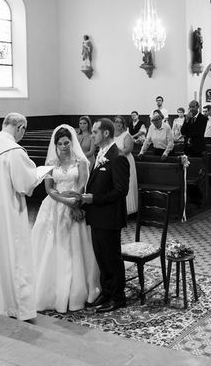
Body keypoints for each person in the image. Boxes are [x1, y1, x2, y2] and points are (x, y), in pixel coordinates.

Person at [0, 113, 48, 321]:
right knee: (14, 255)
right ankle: (15, 307)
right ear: (20, 128)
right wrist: (41, 172)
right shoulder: (13, 151)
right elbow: (24, 184)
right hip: (8, 213)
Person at [31, 125, 100, 313]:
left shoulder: (81, 162)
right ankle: (51, 291)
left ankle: (79, 291)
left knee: (77, 248)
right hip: (54, 206)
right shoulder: (51, 163)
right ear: (55, 144)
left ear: (72, 142)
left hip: (77, 203)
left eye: (66, 143)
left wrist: (75, 204)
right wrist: (65, 201)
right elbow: (49, 189)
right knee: (52, 247)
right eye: (60, 143)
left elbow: (83, 184)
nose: (63, 146)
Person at [81, 119, 130, 313]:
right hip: (97, 216)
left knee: (112, 258)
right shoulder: (101, 154)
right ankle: (107, 291)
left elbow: (120, 190)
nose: (92, 135)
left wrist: (95, 198)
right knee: (101, 257)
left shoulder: (117, 157)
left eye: (95, 132)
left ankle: (118, 297)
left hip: (109, 217)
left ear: (106, 134)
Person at [112, 116, 138, 215]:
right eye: (116, 122)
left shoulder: (126, 135)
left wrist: (114, 155)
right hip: (114, 162)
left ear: (123, 124)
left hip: (125, 161)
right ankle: (117, 208)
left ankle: (128, 209)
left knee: (126, 183)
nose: (118, 124)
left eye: (120, 122)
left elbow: (128, 149)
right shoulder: (111, 135)